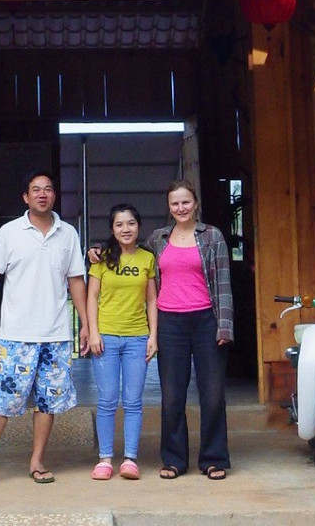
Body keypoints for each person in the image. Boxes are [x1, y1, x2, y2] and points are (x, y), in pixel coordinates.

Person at [88, 179, 233, 481]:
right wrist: (99, 248)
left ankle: (213, 459)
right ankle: (174, 459)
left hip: (206, 320)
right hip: (170, 323)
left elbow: (223, 284)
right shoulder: (159, 238)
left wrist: (225, 326)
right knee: (172, 395)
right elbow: (129, 252)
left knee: (213, 394)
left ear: (195, 204)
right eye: (175, 203)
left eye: (186, 202)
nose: (181, 208)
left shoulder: (213, 236)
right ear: (169, 207)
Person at [0, 171, 89, 489]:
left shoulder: (68, 233)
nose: (42, 194)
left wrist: (86, 324)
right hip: (15, 336)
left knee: (47, 403)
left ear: (54, 196)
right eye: (35, 190)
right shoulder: (9, 232)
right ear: (25, 198)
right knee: (2, 402)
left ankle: (37, 461)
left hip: (55, 335)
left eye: (48, 190)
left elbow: (76, 281)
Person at [86, 204, 157, 481]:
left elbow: (152, 299)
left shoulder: (147, 258)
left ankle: (130, 459)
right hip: (106, 337)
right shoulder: (101, 259)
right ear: (112, 229)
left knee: (133, 401)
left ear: (138, 227)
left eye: (130, 224)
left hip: (137, 337)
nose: (125, 229)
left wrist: (153, 335)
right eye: (119, 225)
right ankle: (105, 459)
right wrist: (93, 332)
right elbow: (92, 297)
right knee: (106, 400)